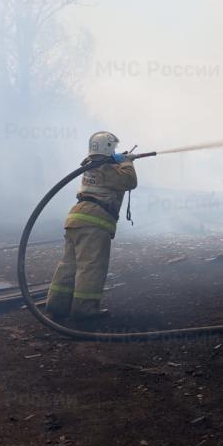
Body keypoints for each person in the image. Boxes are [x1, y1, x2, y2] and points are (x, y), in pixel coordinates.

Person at [45, 131, 137, 321]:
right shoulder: (105, 168)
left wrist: (117, 160)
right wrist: (127, 161)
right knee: (91, 267)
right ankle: (84, 311)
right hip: (94, 221)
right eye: (114, 148)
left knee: (69, 265)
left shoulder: (91, 166)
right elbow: (129, 181)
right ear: (108, 147)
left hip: (76, 218)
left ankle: (57, 305)